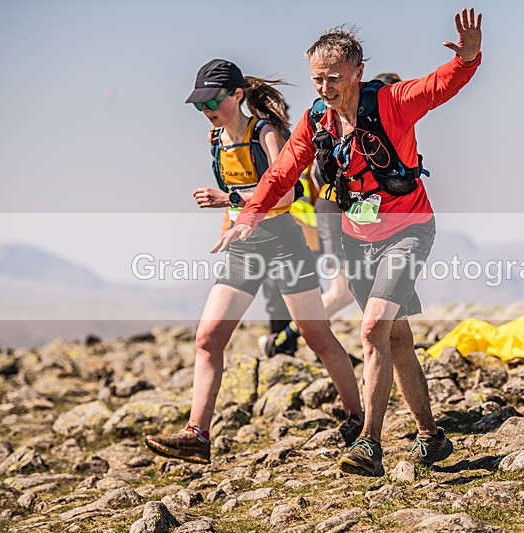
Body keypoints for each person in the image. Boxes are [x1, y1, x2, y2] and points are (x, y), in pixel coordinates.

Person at [221, 9, 483, 476]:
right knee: (396, 338)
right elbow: (283, 172)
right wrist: (251, 213)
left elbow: (439, 86)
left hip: (407, 230)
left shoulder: (392, 102)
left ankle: (370, 444)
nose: (325, 87)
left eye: (334, 78)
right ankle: (430, 436)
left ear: (358, 72)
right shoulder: (317, 119)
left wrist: (467, 57)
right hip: (357, 240)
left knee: (371, 329)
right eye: (317, 79)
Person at [143, 59, 365, 464]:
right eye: (199, 105)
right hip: (244, 248)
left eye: (213, 101)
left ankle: (358, 419)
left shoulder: (263, 133)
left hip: (284, 244)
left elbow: (286, 195)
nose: (207, 111)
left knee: (315, 337)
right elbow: (239, 197)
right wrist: (226, 231)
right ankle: (197, 435)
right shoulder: (216, 139)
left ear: (238, 95)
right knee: (208, 339)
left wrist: (228, 199)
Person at [261, 72, 403, 359]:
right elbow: (320, 177)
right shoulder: (348, 129)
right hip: (331, 216)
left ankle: (314, 344)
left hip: (338, 218)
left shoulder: (368, 130)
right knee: (342, 292)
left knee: (359, 288)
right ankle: (283, 339)